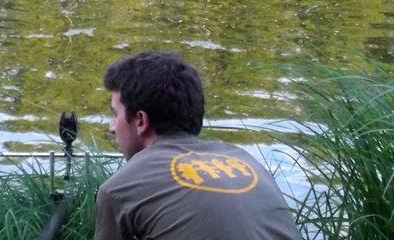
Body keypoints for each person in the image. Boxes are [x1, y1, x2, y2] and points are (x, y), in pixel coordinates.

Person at [94, 50, 300, 240]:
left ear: (141, 121)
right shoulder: (245, 160)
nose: (112, 127)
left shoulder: (119, 187)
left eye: (115, 114)